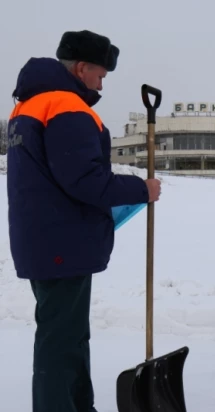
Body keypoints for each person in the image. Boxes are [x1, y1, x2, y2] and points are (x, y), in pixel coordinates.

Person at [7, 30, 161, 411]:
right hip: (61, 242)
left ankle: (77, 405)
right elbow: (84, 179)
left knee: (67, 334)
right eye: (100, 74)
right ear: (81, 68)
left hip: (45, 239)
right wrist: (143, 190)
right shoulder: (65, 106)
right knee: (61, 339)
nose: (102, 83)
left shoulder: (28, 106)